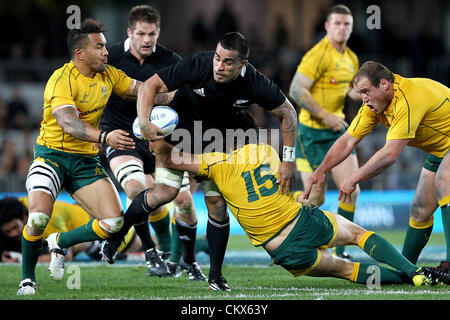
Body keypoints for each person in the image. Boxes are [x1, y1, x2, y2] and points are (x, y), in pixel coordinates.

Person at [101, 31, 298, 291]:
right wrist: (146, 123)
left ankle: (215, 277)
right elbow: (150, 86)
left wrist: (288, 161)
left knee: (216, 204)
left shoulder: (255, 83)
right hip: (179, 137)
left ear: (243, 65)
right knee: (164, 193)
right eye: (218, 57)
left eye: (228, 62)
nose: (219, 65)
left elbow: (288, 113)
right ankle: (118, 235)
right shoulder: (200, 64)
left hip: (219, 145)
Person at [147, 129, 449, 287]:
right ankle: (415, 272)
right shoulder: (267, 151)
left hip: (284, 252)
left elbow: (175, 159)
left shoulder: (217, 165)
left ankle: (412, 275)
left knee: (346, 270)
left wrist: (155, 139)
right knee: (358, 235)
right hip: (302, 221)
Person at [16, 18, 171, 295]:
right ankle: (27, 280)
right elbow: (68, 123)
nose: (106, 52)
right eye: (99, 47)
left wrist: (185, 93)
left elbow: (147, 92)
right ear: (80, 53)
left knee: (114, 224)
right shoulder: (61, 79)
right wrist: (104, 137)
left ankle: (60, 241)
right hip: (52, 156)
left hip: (85, 162)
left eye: (104, 46)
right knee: (38, 218)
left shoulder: (110, 75)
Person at [304, 61, 450, 274]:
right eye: (360, 93)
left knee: (444, 181)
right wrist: (321, 170)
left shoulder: (407, 99)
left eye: (366, 91)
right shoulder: (374, 107)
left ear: (384, 84)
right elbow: (347, 141)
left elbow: (390, 154)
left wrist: (353, 177)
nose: (363, 98)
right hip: (441, 149)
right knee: (420, 209)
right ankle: (406, 270)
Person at [99, 5, 200, 278]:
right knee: (135, 188)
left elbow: (186, 101)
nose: (147, 40)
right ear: (129, 32)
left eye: (152, 34)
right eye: (141, 33)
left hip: (158, 138)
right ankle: (152, 253)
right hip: (121, 135)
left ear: (158, 33)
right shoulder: (111, 56)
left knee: (183, 199)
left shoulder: (171, 61)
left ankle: (187, 261)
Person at [288, 4, 361, 259]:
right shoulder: (317, 54)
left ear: (351, 28)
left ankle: (341, 251)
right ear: (327, 26)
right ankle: (288, 216)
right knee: (316, 198)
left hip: (337, 131)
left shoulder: (351, 58)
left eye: (347, 24)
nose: (342, 28)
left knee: (351, 188)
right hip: (313, 132)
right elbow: (296, 90)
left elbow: (347, 89)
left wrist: (361, 93)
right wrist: (325, 116)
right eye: (337, 24)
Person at [0, 196, 141, 263]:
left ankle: (93, 246)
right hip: (77, 214)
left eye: (15, 228)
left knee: (139, 245)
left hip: (99, 227)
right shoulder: (20, 206)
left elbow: (63, 257)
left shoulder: (45, 220)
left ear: (24, 218)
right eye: (7, 231)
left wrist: (20, 259)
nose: (13, 234)